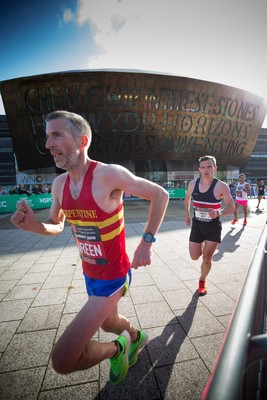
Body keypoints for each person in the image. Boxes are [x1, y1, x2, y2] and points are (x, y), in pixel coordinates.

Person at [10, 110, 169, 385]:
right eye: (47, 137)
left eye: (56, 135)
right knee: (109, 323)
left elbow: (159, 194)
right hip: (89, 273)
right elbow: (55, 224)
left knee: (63, 360)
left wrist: (147, 242)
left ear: (82, 141)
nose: (48, 144)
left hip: (115, 275)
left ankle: (119, 348)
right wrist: (33, 226)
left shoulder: (108, 175)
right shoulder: (58, 184)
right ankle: (135, 335)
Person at [185, 155, 235, 295]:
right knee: (195, 256)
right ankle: (201, 244)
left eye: (209, 166)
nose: (206, 169)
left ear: (215, 168)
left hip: (213, 226)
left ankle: (202, 279)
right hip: (197, 225)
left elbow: (231, 207)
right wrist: (187, 214)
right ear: (199, 169)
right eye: (203, 167)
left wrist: (218, 212)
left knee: (207, 258)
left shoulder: (221, 186)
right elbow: (187, 198)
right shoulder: (192, 184)